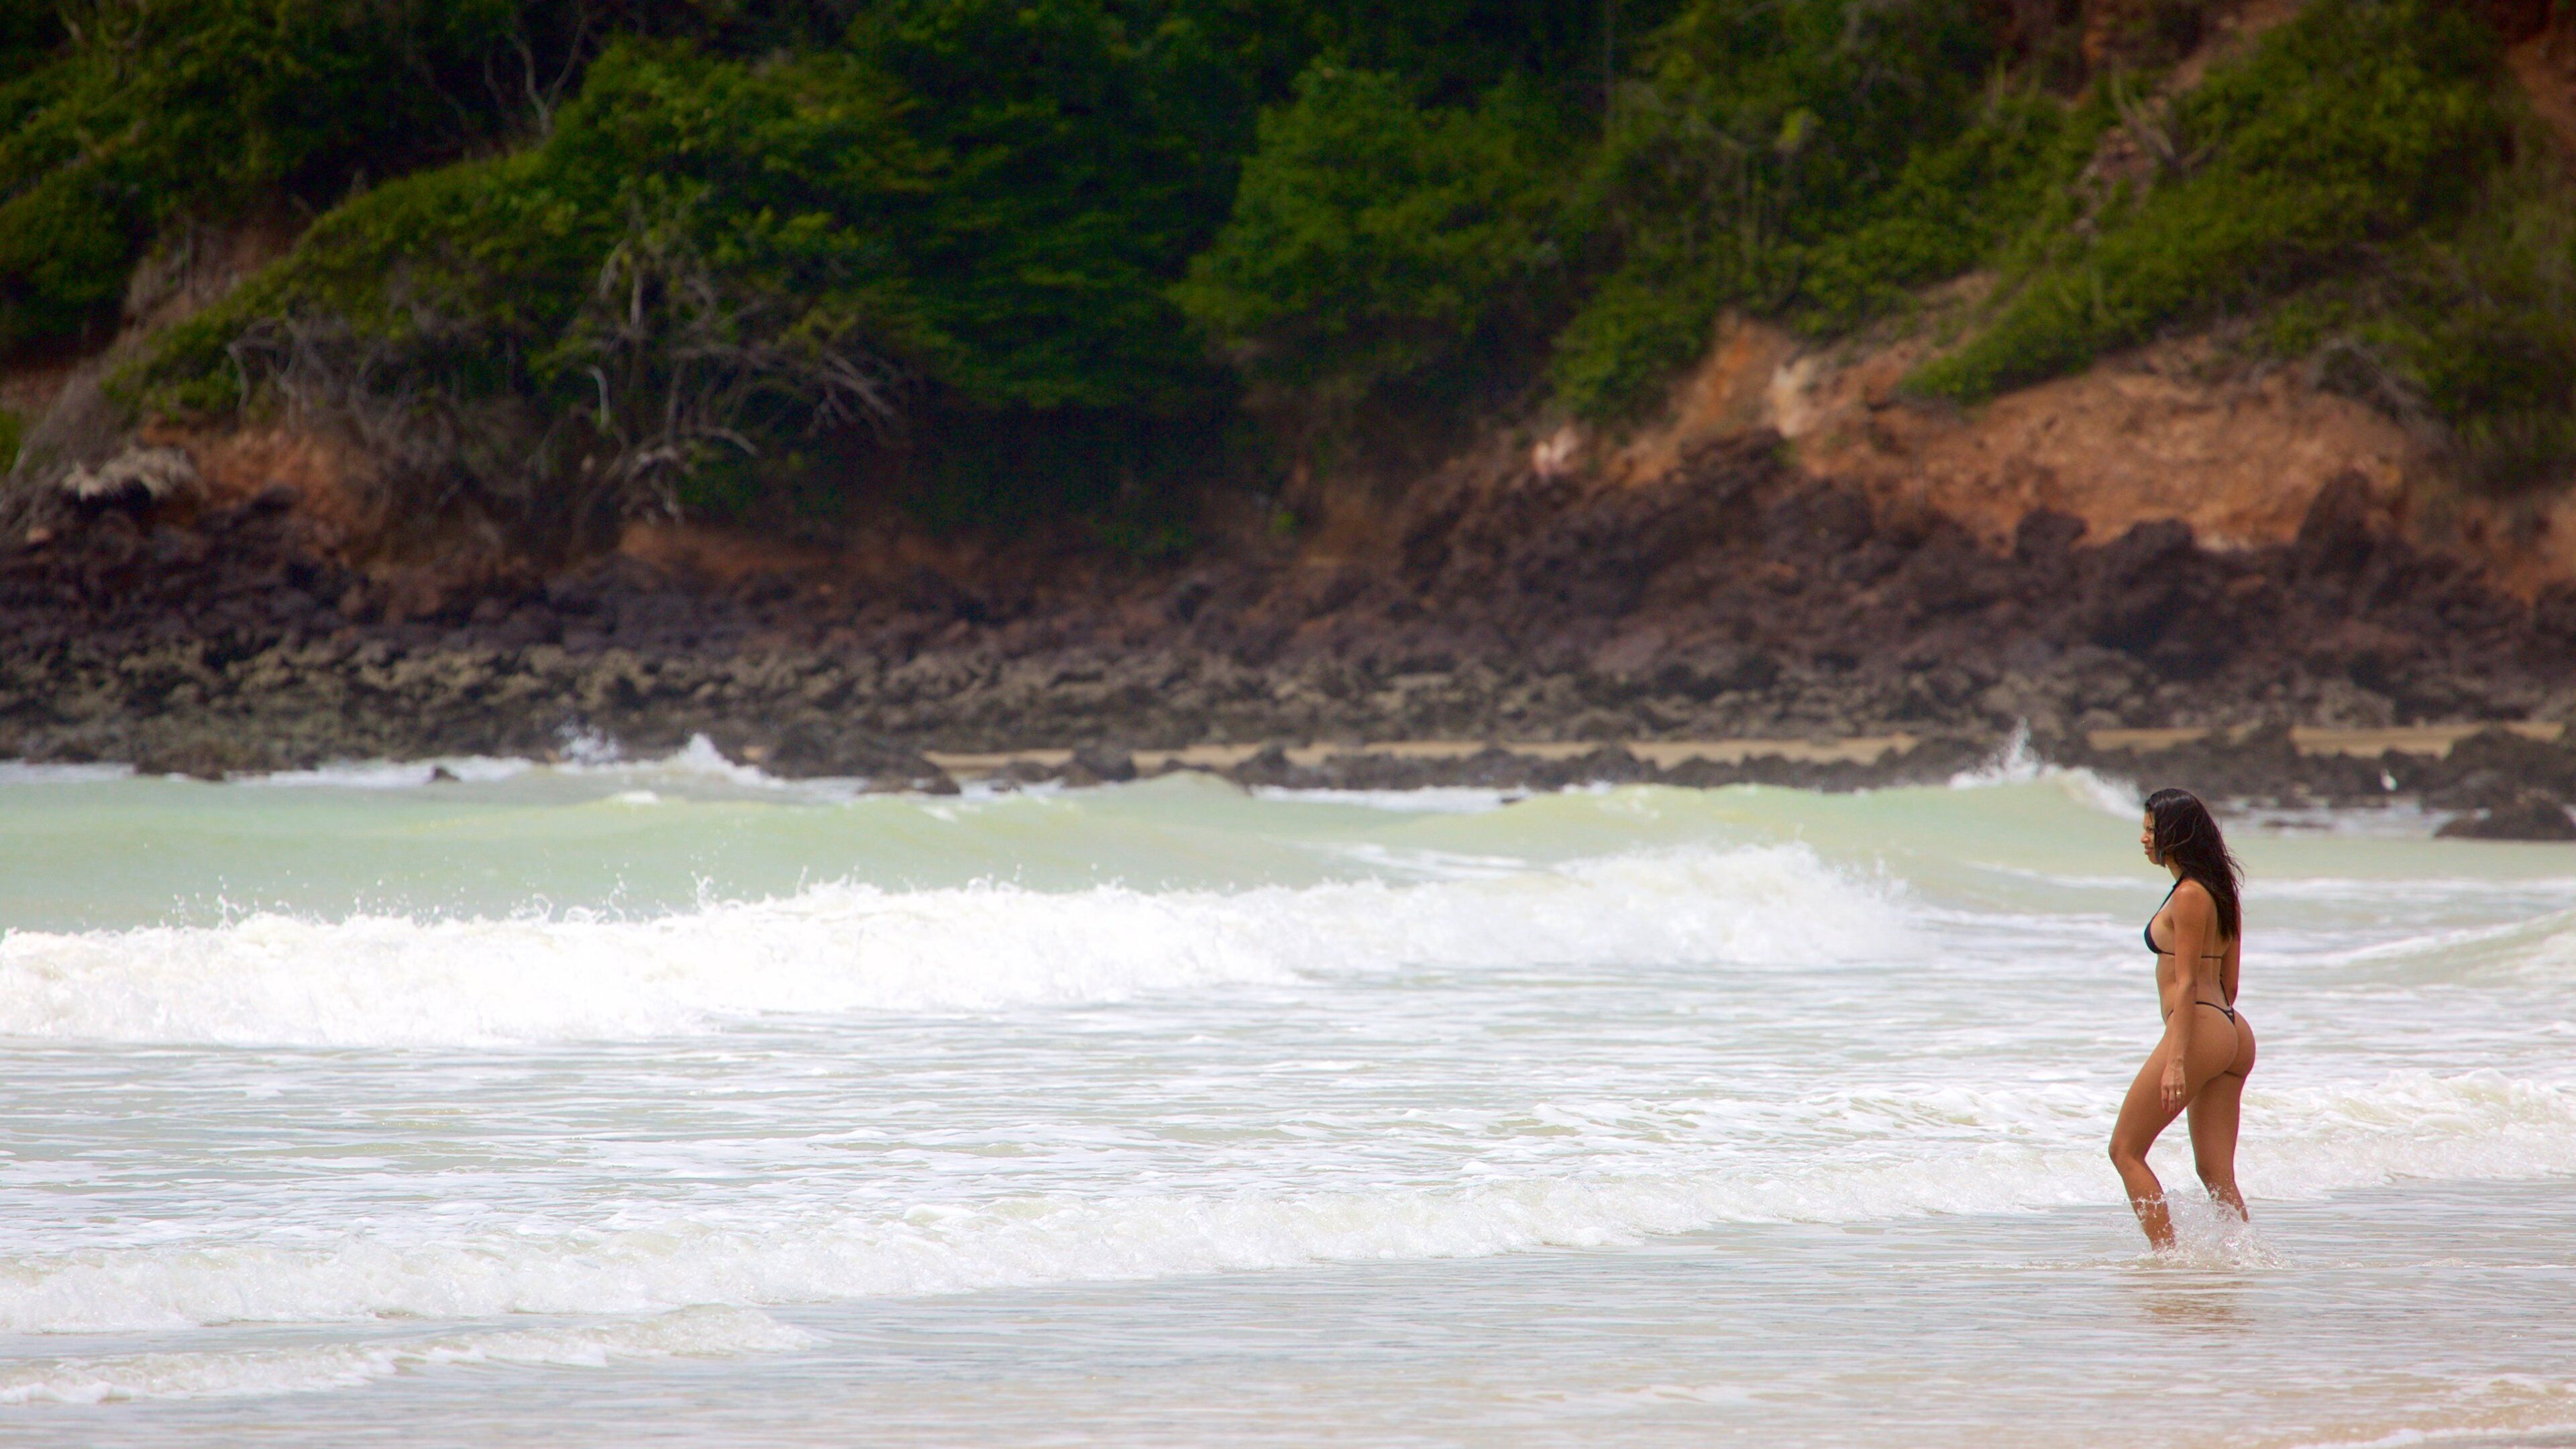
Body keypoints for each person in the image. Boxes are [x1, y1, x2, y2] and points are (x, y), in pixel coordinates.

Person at [2110, 787, 2257, 1249]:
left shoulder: (2191, 895)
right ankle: (2243, 1258)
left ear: (2174, 835)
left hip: (2199, 1026)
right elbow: (2230, 983)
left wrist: (2178, 1060)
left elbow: (2189, 983)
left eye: (2151, 830)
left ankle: (2167, 1261)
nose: (2144, 839)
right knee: (2215, 1173)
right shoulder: (2220, 890)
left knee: (2125, 1150)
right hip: (2230, 1028)